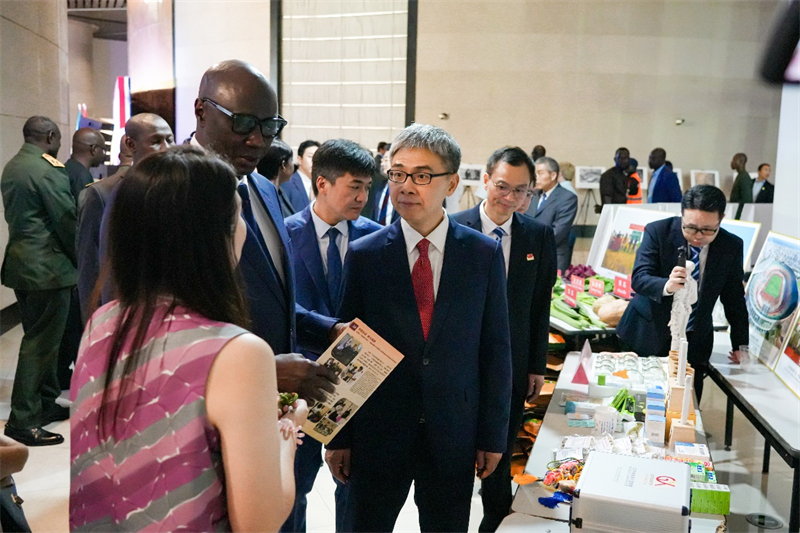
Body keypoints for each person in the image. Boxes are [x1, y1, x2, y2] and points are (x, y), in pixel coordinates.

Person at [69, 146, 307, 531]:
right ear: (213, 236)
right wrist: (287, 430)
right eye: (238, 216)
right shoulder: (238, 352)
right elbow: (259, 523)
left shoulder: (103, 322)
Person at [325, 124, 512, 533]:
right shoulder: (366, 255)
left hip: (453, 433)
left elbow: (496, 349)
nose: (406, 186)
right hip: (378, 432)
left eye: (422, 175)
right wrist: (338, 436)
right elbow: (346, 348)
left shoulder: (482, 254)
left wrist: (492, 436)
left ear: (452, 183)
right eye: (398, 173)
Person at [191, 59, 339, 402]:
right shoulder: (163, 192)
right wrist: (263, 370)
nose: (258, 140)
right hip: (206, 409)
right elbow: (147, 333)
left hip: (273, 409)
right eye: (242, 123)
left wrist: (326, 329)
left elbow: (270, 295)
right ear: (201, 111)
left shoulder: (264, 189)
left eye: (270, 126)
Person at [451, 146, 557, 532]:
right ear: (485, 181)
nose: (510, 198)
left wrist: (536, 365)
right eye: (502, 186)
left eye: (521, 190)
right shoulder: (453, 227)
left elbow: (540, 306)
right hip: (459, 366)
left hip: (510, 365)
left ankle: (494, 523)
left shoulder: (538, 236)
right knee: (455, 458)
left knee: (499, 454)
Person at [283, 139, 381, 533]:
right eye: (354, 186)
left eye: (367, 188)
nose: (362, 197)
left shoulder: (377, 239)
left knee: (355, 495)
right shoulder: (284, 236)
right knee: (292, 491)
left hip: (359, 387)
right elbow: (280, 306)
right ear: (322, 183)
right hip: (302, 383)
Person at [617, 185, 748, 402]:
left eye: (708, 230)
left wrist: (740, 344)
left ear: (721, 219)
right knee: (638, 404)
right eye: (691, 228)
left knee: (686, 405)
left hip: (694, 341)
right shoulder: (658, 232)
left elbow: (734, 297)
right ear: (682, 215)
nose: (698, 236)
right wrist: (667, 285)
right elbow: (640, 278)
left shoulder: (730, 245)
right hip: (648, 334)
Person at [1, 116, 75, 446]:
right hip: (48, 269)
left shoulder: (13, 166)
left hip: (22, 265)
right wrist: (83, 258)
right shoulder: (48, 169)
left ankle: (44, 402)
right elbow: (67, 220)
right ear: (50, 136)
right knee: (40, 343)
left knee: (42, 337)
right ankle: (23, 420)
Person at [76, 113, 175, 322]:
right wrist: (94, 326)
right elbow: (90, 268)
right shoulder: (104, 193)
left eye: (170, 140)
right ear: (131, 144)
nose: (166, 148)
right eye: (156, 141)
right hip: (120, 316)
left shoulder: (177, 190)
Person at [525, 157, 578, 273]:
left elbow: (558, 233)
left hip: (552, 257)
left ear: (553, 175)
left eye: (540, 173)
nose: (536, 177)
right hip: (530, 256)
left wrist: (529, 241)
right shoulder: (533, 194)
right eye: (534, 173)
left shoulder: (567, 198)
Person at [65, 127, 106, 205]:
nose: (103, 154)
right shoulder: (82, 176)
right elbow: (86, 209)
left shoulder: (66, 167)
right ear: (94, 149)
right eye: (103, 150)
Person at [257, 139, 297, 218]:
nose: (293, 164)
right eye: (291, 160)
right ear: (283, 165)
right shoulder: (265, 196)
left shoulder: (279, 191)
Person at [282, 140, 320, 211]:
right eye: (310, 156)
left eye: (317, 157)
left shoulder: (321, 184)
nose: (314, 161)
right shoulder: (288, 183)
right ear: (299, 159)